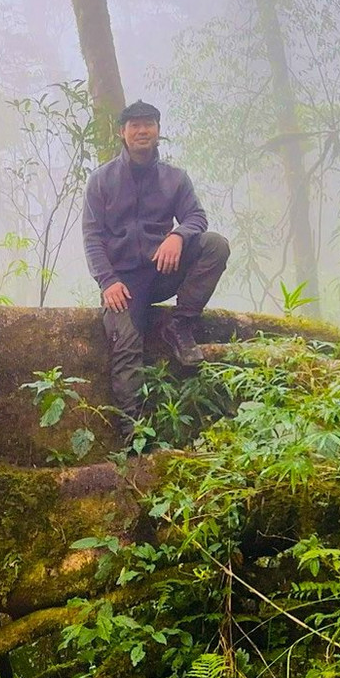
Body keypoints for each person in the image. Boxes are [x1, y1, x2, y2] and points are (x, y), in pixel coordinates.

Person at [82, 99, 231, 435]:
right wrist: (108, 282)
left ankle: (180, 326)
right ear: (122, 133)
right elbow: (92, 238)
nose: (142, 130)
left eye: (148, 123)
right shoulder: (101, 181)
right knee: (126, 346)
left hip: (163, 271)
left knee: (215, 245)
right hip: (123, 283)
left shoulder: (174, 178)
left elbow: (197, 217)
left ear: (158, 131)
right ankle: (132, 434)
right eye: (134, 125)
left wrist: (178, 236)